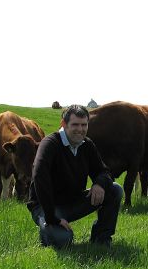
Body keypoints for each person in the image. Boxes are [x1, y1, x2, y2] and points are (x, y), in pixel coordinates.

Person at [27, 105, 123, 248]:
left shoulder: (87, 145)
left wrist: (99, 184)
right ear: (64, 124)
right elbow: (39, 175)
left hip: (73, 202)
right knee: (63, 241)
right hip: (47, 206)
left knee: (114, 190)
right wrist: (51, 217)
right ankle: (48, 229)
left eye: (84, 125)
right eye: (75, 124)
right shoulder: (50, 143)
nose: (80, 129)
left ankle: (101, 239)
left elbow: (104, 172)